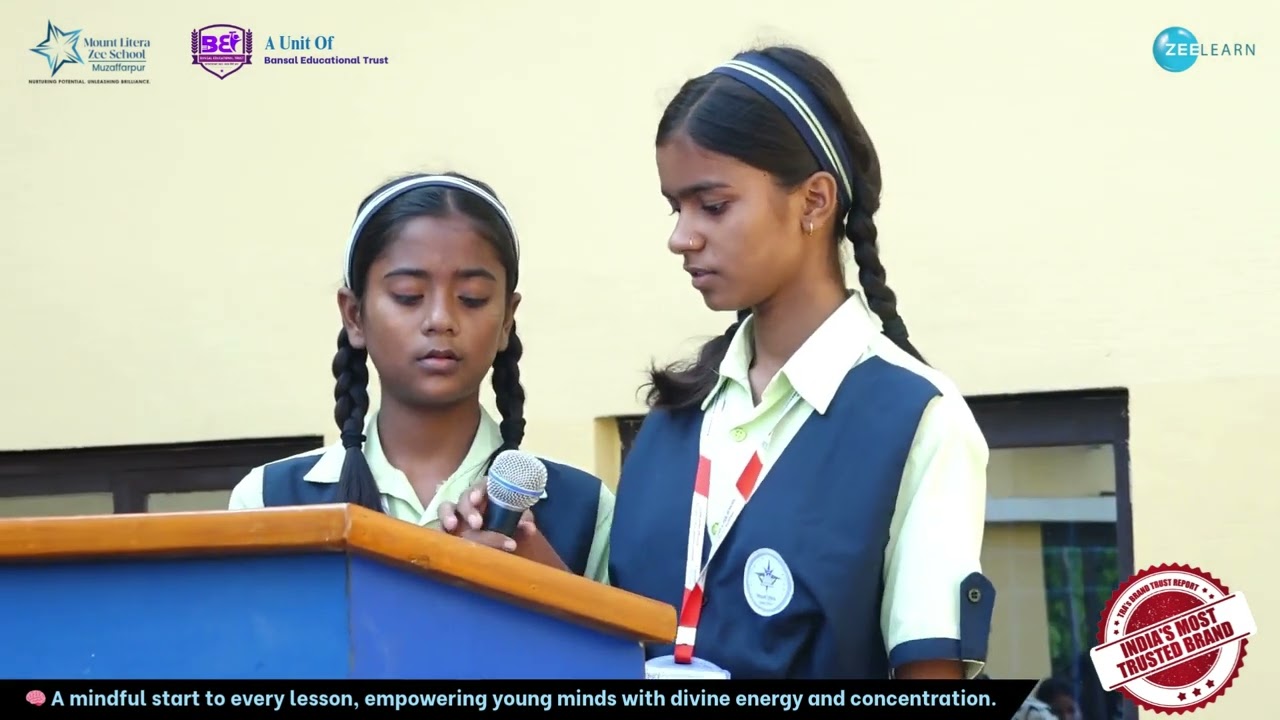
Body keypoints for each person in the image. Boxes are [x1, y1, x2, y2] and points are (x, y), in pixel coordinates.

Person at [605, 46, 993, 679]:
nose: (681, 237)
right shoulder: (673, 420)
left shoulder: (918, 420)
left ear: (814, 201)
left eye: (713, 204)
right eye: (676, 208)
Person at [229, 172, 612, 581]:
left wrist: (547, 582)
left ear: (507, 320)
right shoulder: (271, 499)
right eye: (408, 295)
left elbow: (622, 645)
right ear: (354, 316)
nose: (440, 320)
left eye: (472, 299)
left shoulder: (583, 508)